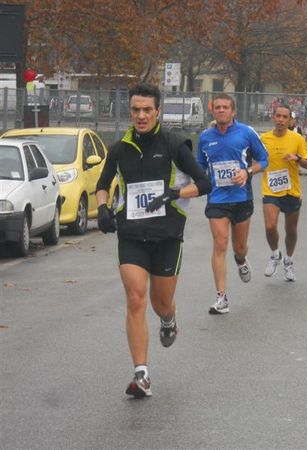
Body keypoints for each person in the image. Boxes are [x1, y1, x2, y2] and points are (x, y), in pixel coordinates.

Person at [95, 83, 212, 397]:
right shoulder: (120, 148)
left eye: (147, 110)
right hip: (132, 235)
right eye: (136, 110)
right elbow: (103, 184)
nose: (141, 115)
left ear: (157, 111)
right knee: (135, 298)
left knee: (160, 303)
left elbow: (204, 183)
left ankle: (169, 319)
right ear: (130, 111)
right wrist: (103, 207)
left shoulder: (174, 144)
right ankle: (142, 374)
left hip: (166, 236)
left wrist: (174, 193)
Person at [197, 93, 269, 315]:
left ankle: (241, 259)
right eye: (217, 107)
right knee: (220, 244)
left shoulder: (246, 133)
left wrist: (247, 172)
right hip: (217, 199)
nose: (221, 110)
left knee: (239, 247)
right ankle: (222, 298)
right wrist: (200, 179)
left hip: (241, 198)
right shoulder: (206, 137)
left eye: (225, 107)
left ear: (233, 111)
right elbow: (200, 165)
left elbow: (264, 160)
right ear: (213, 111)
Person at [260, 104, 307, 281]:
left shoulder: (297, 139)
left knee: (291, 229)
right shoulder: (263, 139)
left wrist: (296, 158)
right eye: (278, 116)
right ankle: (275, 255)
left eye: (285, 117)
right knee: (270, 226)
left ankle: (288, 261)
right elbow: (256, 159)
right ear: (273, 117)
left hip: (292, 190)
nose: (281, 120)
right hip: (271, 189)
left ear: (290, 120)